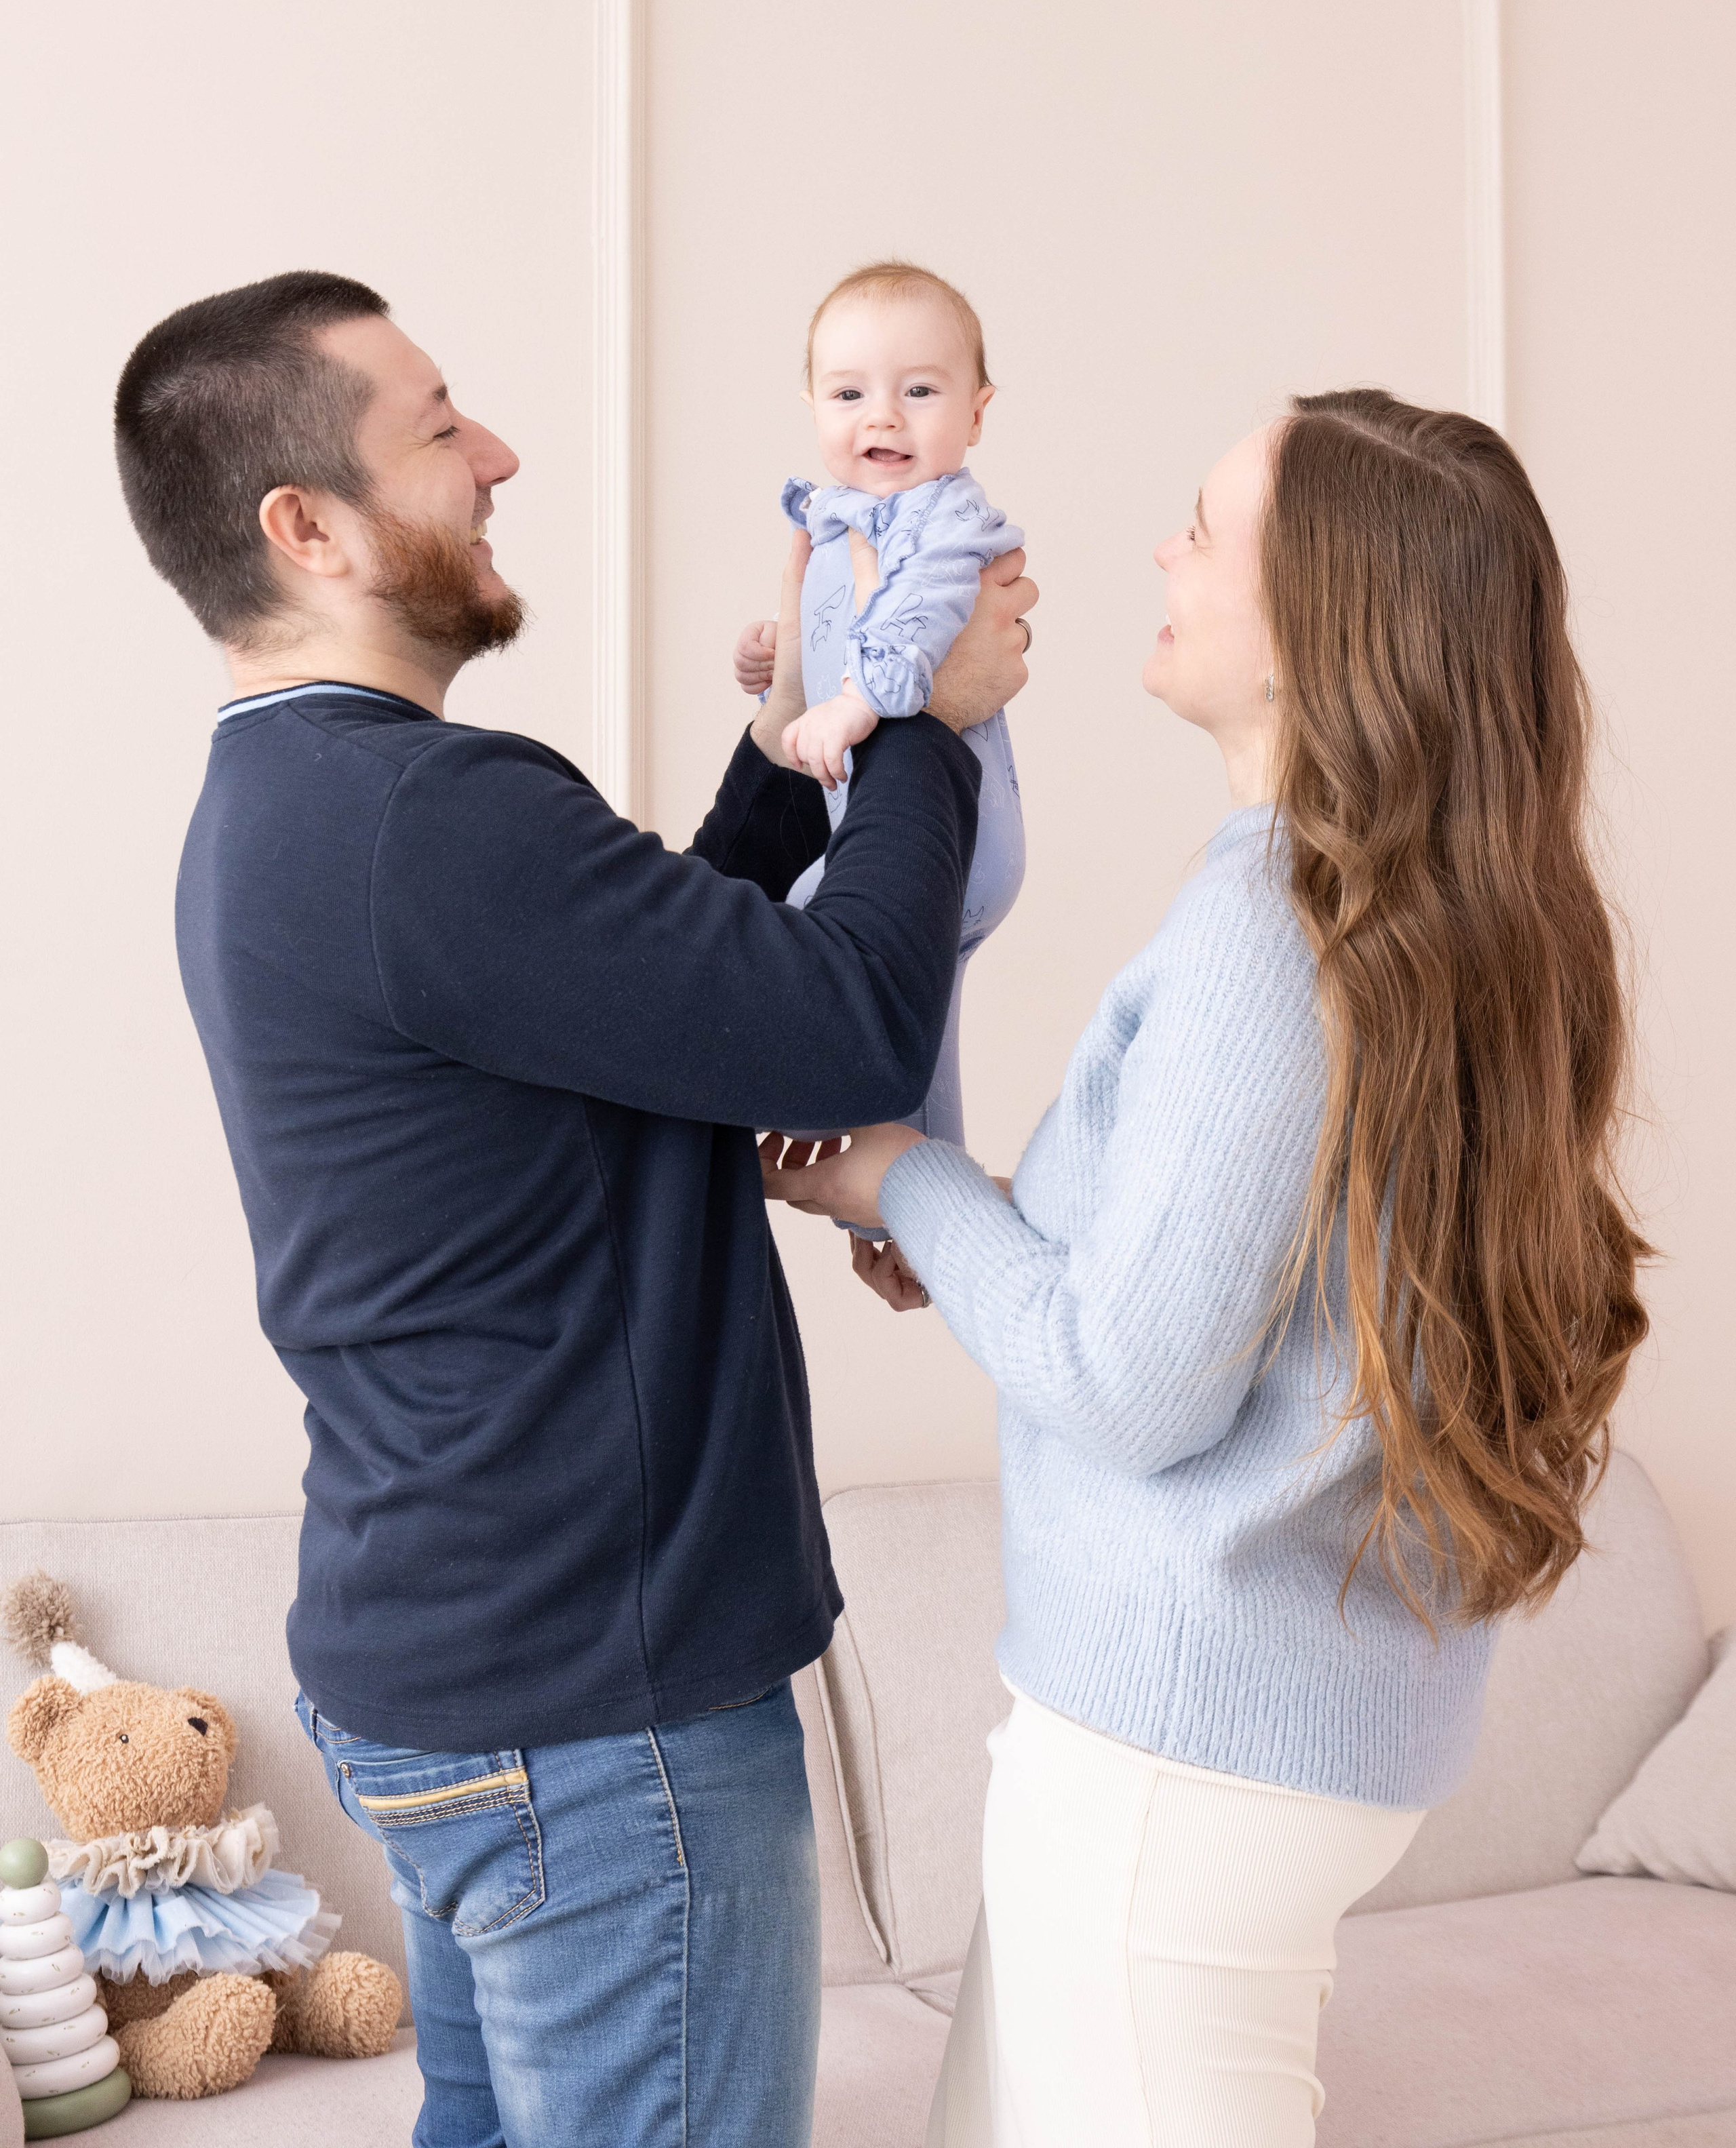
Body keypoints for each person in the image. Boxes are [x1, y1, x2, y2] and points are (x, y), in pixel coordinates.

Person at [111, 268, 1035, 2148]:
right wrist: (925, 720)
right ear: (309, 526)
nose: (499, 454)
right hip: (595, 1720)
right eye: (441, 428)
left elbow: (644, 984)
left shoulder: (289, 809)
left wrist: (797, 765)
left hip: (452, 1674)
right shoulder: (430, 816)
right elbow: (843, 1018)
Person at [764, 391, 1649, 2147]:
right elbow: (1264, 1281)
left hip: (1180, 1748)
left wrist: (904, 1175)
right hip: (1262, 1739)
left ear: (1328, 616)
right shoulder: (1445, 914)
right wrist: (983, 1232)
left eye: (1205, 528)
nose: (1162, 554)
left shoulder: (1275, 917)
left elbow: (1135, 1382)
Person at [736, 262, 1027, 1178]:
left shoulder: (946, 523)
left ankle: (821, 1122)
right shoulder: (841, 519)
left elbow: (918, 620)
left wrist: (858, 703)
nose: (883, 417)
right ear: (811, 403)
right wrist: (775, 671)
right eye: (850, 392)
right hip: (899, 845)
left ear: (977, 413)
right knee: (920, 1048)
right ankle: (911, 1202)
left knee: (792, 931)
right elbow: (820, 651)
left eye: (921, 391)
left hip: (958, 844)